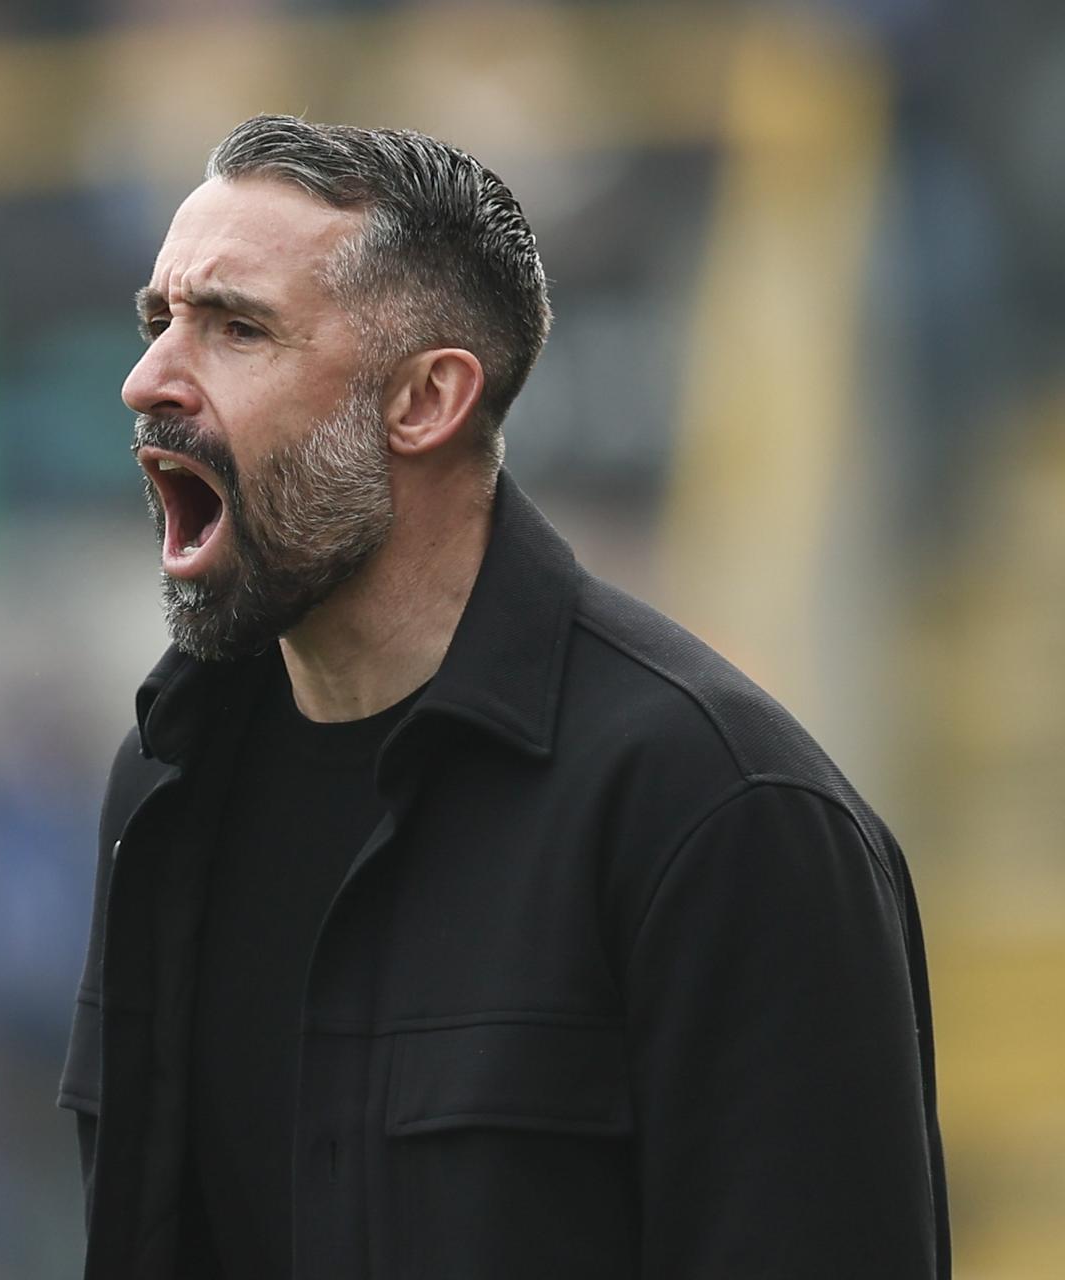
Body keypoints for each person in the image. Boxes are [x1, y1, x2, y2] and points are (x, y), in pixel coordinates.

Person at [59, 114, 949, 1280]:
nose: (146, 380)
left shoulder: (724, 813)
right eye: (156, 320)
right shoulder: (164, 784)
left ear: (425, 400)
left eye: (236, 328)